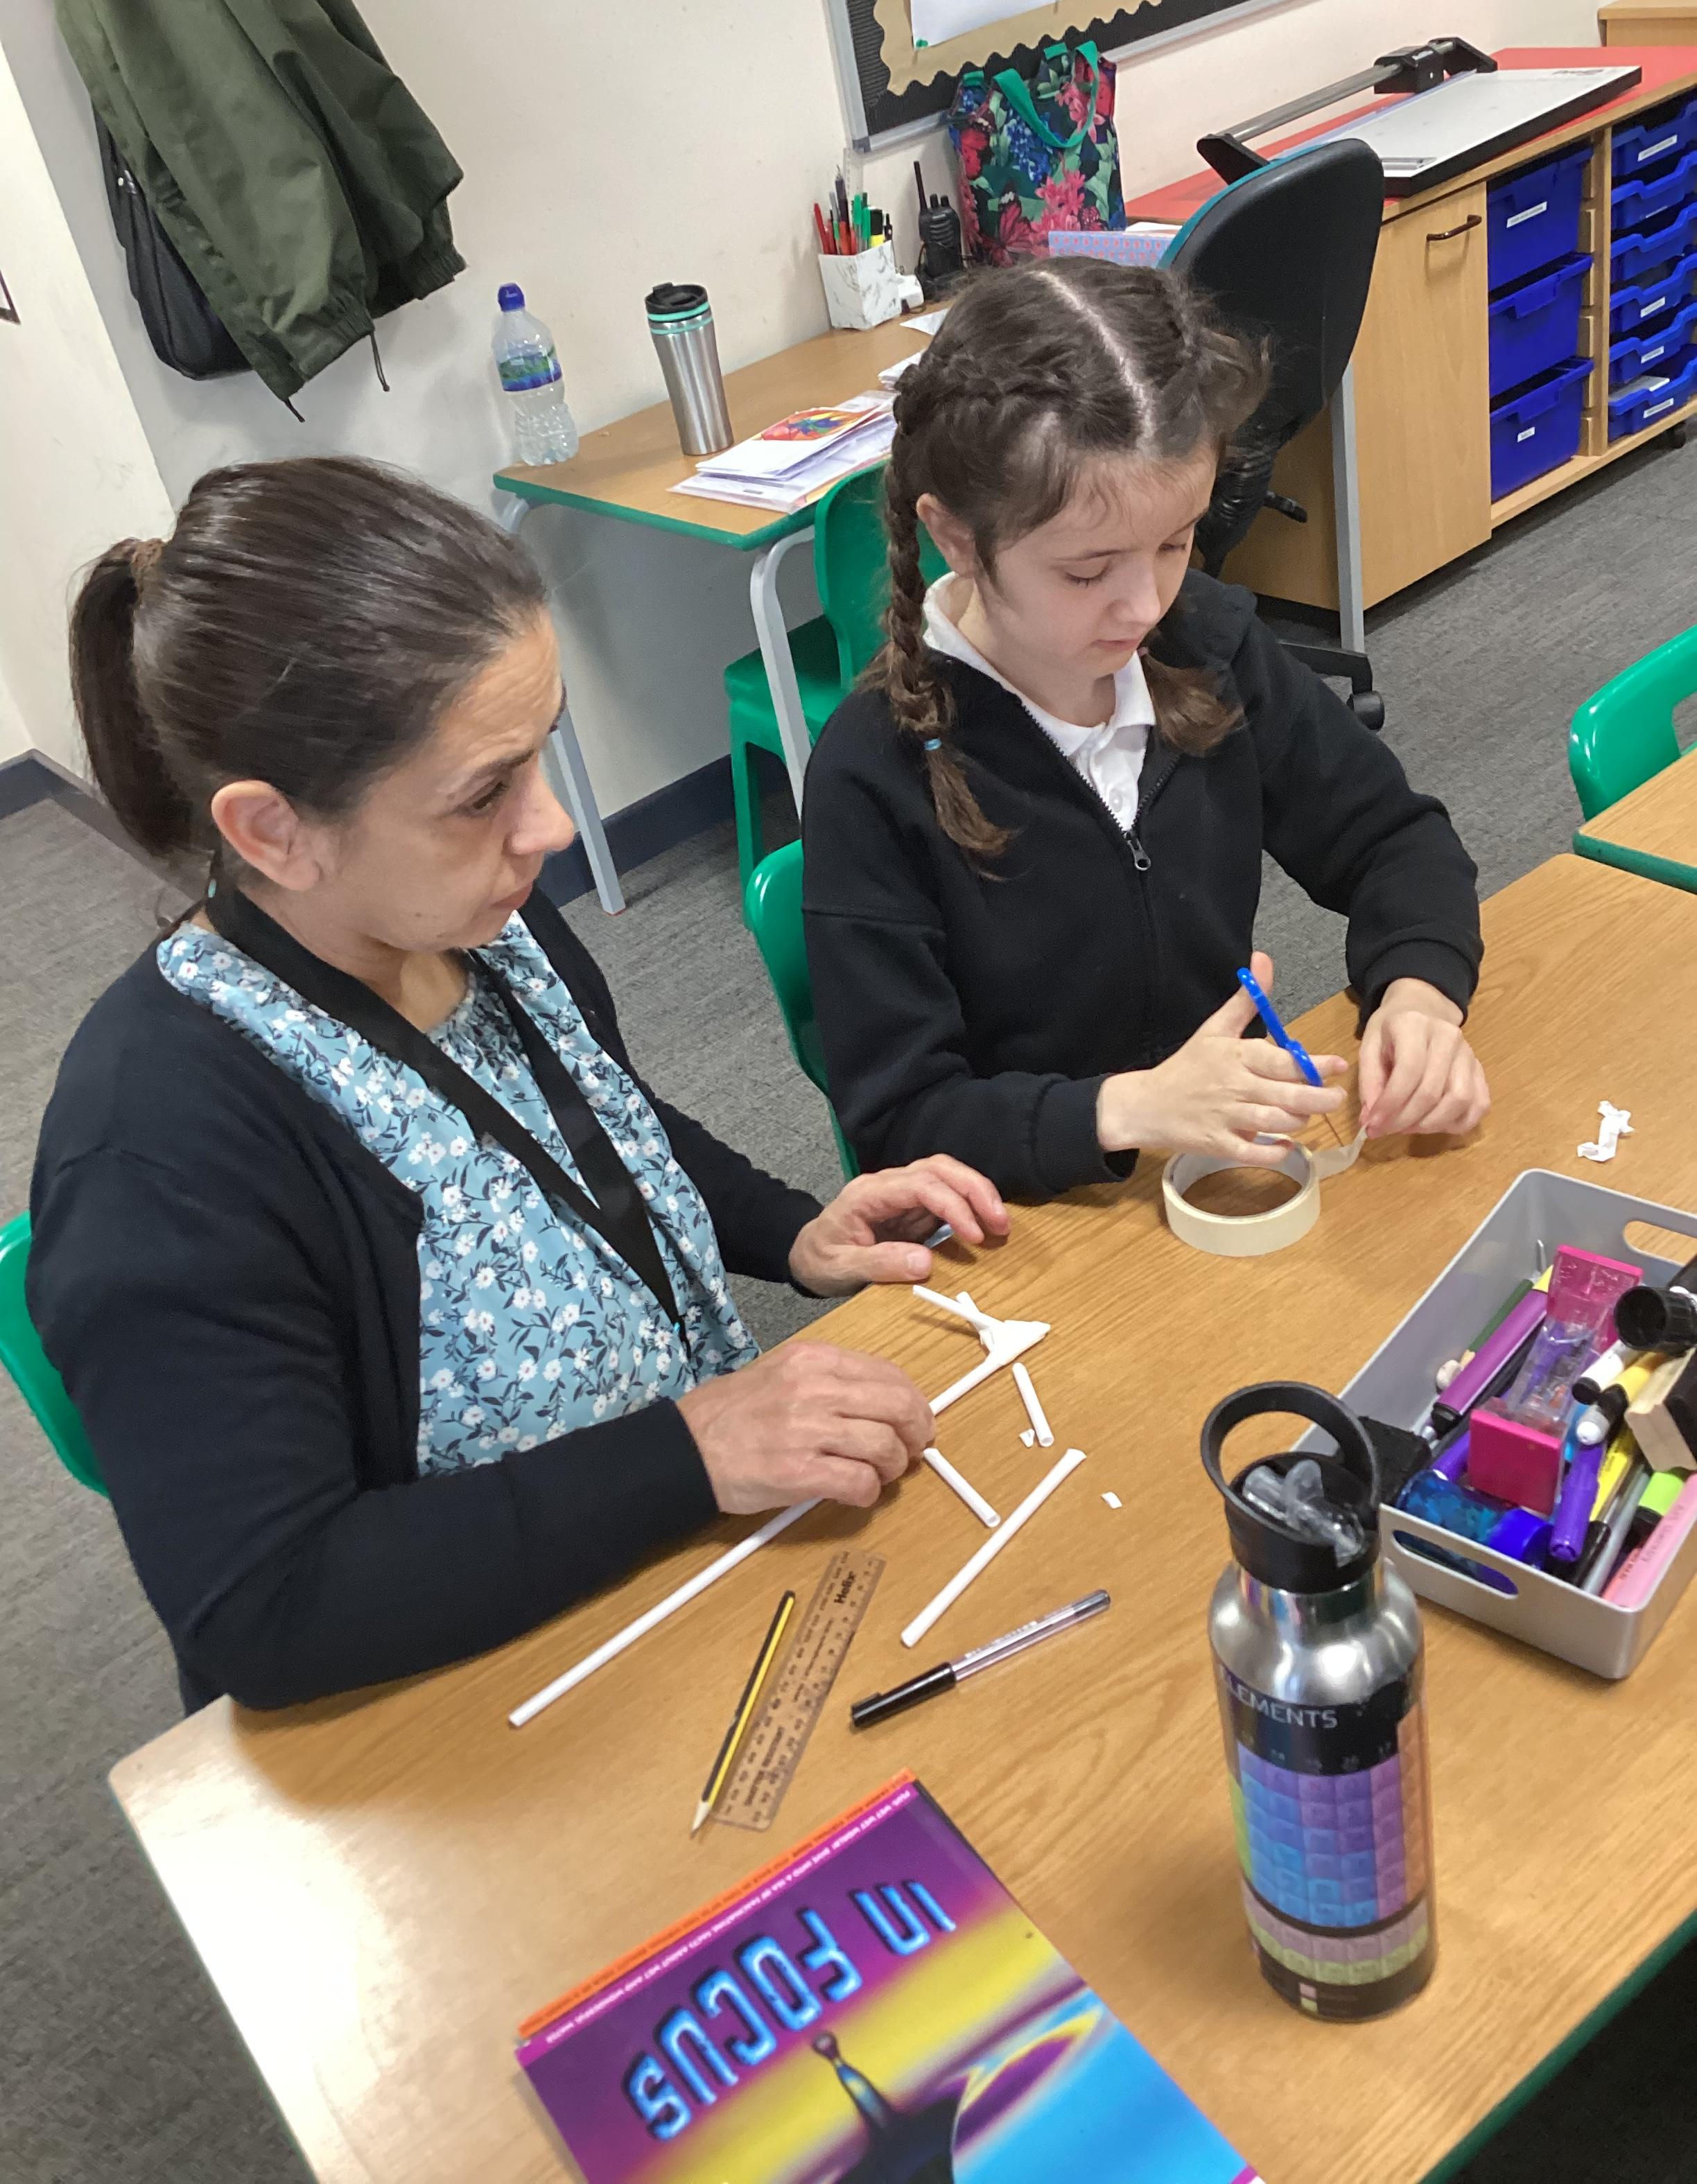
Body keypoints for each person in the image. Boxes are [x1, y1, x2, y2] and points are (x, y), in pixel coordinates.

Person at [28, 457, 1008, 1713]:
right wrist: (687, 1454)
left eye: (540, 752)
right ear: (274, 832)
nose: (548, 827)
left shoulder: (461, 914)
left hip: (663, 1564)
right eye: (484, 793)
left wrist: (791, 1234)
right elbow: (268, 1608)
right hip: (469, 1691)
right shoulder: (157, 1153)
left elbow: (600, 1124)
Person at [801, 259, 1489, 1200]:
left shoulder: (1204, 642)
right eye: (1087, 572)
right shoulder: (873, 771)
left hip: (1220, 1162)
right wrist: (1124, 1109)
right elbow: (902, 1119)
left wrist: (1419, 994)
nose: (1144, 604)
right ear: (957, 536)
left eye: (1175, 541)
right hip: (1040, 1212)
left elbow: (1394, 840)